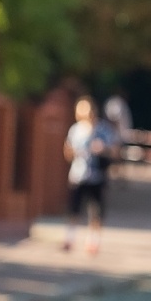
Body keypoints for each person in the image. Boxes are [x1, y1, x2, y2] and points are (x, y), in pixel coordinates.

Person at [62, 98, 114, 255]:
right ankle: (70, 238)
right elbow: (67, 151)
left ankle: (93, 241)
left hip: (97, 176)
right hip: (78, 175)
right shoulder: (75, 130)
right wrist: (74, 152)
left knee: (96, 211)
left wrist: (103, 149)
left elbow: (114, 150)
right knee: (74, 209)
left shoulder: (103, 129)